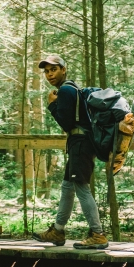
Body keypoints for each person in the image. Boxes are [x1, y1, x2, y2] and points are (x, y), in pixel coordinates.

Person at [33, 54, 108, 249]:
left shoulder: (65, 90)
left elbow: (66, 123)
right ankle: (57, 231)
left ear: (63, 69)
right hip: (80, 143)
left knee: (82, 188)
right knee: (67, 187)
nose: (49, 75)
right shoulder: (71, 88)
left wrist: (51, 105)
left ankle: (98, 234)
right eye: (47, 71)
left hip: (80, 144)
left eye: (54, 70)